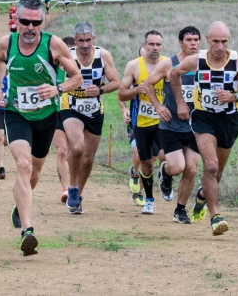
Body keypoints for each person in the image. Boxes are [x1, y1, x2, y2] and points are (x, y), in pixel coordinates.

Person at [0, 0, 82, 257]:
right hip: (16, 113)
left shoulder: (52, 45)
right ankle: (28, 231)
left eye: (36, 22)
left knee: (34, 173)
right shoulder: (6, 44)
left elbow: (76, 77)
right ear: (16, 21)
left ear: (42, 22)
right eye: (25, 22)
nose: (30, 27)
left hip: (46, 117)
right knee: (23, 164)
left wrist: (57, 88)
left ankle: (21, 204)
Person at [170, 21, 238, 235]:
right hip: (203, 118)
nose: (220, 47)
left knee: (217, 172)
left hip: (228, 120)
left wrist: (235, 96)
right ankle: (215, 216)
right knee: (210, 166)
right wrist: (181, 103)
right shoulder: (197, 61)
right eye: (215, 42)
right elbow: (174, 75)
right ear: (207, 40)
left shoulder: (237, 62)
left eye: (224, 41)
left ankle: (203, 195)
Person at [143, 26, 202, 224]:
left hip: (196, 127)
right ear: (180, 42)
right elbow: (148, 84)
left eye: (196, 40)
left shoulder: (206, 63)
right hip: (171, 126)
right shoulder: (170, 63)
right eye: (188, 40)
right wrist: (159, 107)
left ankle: (180, 209)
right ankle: (165, 171)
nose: (193, 43)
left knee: (191, 169)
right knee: (177, 167)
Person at [62, 22, 120, 214]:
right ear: (75, 40)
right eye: (81, 41)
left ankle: (78, 193)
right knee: (77, 147)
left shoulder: (103, 56)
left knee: (88, 158)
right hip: (70, 106)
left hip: (95, 110)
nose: (85, 45)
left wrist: (100, 90)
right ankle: (71, 188)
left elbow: (116, 82)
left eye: (88, 40)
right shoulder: (67, 55)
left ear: (93, 39)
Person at [118, 30, 166, 215]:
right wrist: (136, 91)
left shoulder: (167, 64)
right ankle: (150, 200)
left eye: (158, 44)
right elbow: (121, 93)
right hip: (141, 121)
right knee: (146, 163)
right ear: (144, 46)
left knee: (166, 156)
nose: (155, 48)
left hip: (163, 120)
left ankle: (166, 178)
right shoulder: (134, 66)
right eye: (151, 44)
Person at [52, 35, 76, 203]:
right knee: (62, 150)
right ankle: (66, 189)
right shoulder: (51, 68)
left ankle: (75, 186)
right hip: (57, 112)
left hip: (75, 113)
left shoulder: (79, 70)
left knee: (76, 151)